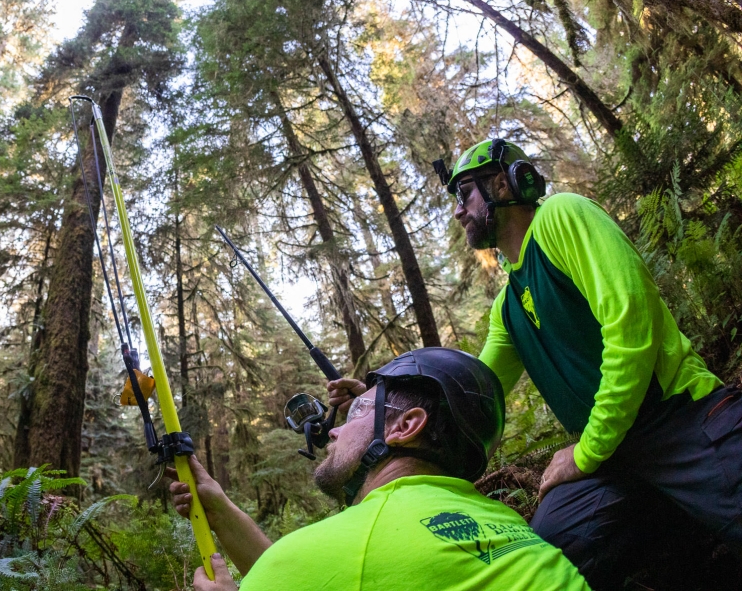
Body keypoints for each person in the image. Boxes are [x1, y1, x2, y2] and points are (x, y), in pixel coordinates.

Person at [334, 138, 742, 589]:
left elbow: (632, 325)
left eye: (464, 194)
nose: (457, 211)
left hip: (683, 418)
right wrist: (379, 401)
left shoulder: (562, 216)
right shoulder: (508, 307)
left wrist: (586, 453)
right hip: (613, 463)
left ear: (501, 186)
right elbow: (470, 393)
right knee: (550, 555)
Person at [169, 348, 590, 590]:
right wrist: (218, 507)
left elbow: (299, 570)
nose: (334, 431)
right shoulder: (506, 522)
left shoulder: (348, 546)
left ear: (405, 427)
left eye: (357, 412)